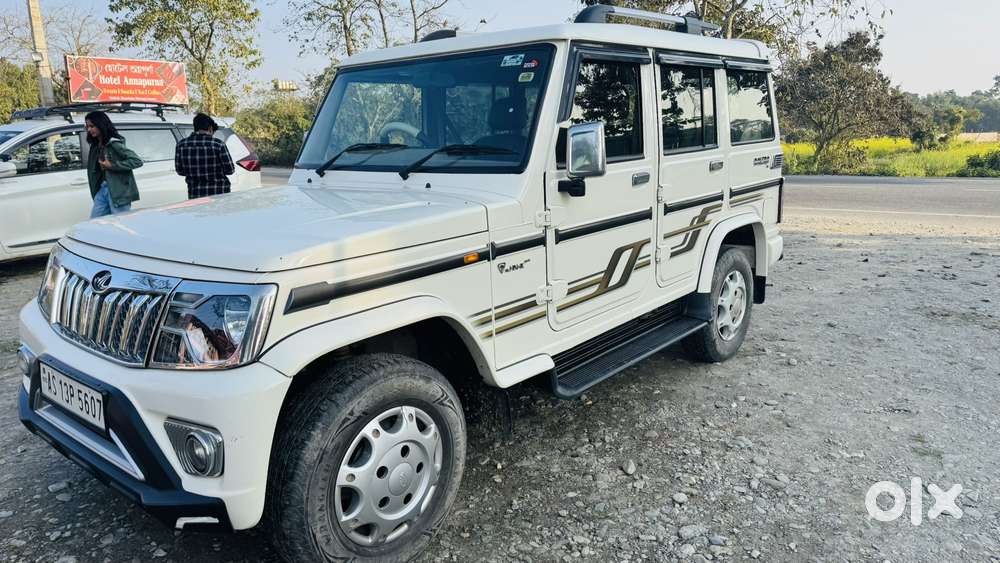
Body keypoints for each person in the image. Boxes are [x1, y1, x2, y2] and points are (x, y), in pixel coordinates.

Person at [85, 111, 143, 218]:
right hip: (102, 189)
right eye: (87, 127)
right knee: (95, 223)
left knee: (120, 226)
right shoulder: (95, 146)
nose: (89, 130)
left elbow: (136, 161)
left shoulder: (114, 143)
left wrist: (112, 166)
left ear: (101, 125)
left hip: (118, 192)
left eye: (92, 126)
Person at [174, 113, 235, 199]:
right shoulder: (218, 144)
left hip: (195, 194)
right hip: (220, 193)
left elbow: (180, 171)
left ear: (195, 127)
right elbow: (230, 170)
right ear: (210, 128)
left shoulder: (181, 145)